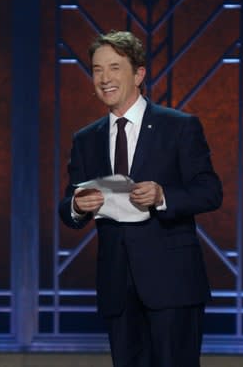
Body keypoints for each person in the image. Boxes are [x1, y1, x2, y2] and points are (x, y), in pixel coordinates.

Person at [58, 30, 222, 367]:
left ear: (139, 74)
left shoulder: (178, 127)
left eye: (115, 68)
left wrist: (163, 196)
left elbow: (210, 191)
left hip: (172, 284)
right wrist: (77, 205)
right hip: (118, 286)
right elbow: (67, 204)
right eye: (97, 69)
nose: (105, 78)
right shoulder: (87, 139)